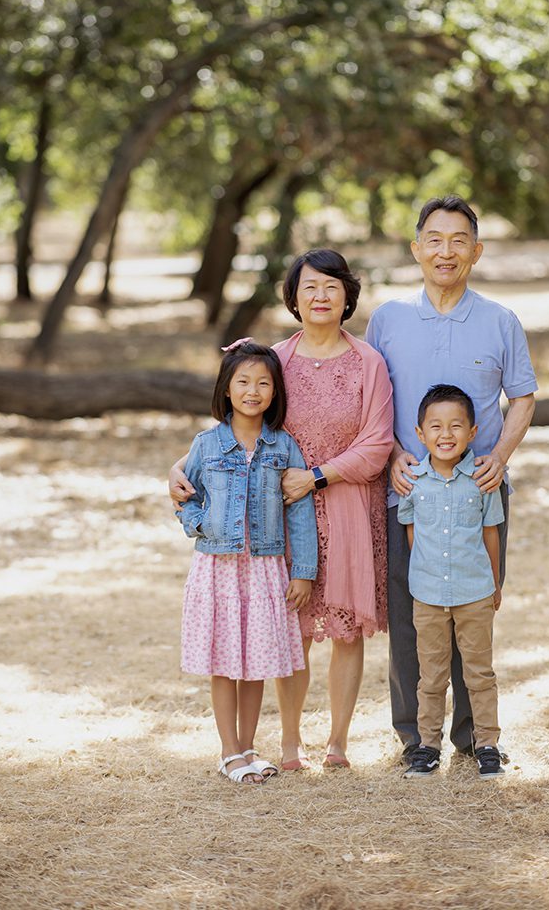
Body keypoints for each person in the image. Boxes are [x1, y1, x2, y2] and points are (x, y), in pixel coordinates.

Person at [170, 249, 394, 770]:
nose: (320, 296)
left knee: (344, 628)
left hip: (343, 504)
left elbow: (378, 444)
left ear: (347, 297)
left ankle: (337, 741)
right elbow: (237, 429)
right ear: (293, 297)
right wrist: (180, 469)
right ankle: (289, 742)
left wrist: (315, 475)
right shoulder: (274, 360)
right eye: (309, 287)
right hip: (274, 516)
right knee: (288, 626)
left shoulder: (369, 363)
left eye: (331, 286)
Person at [365, 195, 537, 763]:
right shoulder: (387, 318)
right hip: (408, 490)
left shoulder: (500, 320)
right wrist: (390, 454)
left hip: (479, 495)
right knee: (413, 616)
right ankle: (417, 737)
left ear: (477, 251)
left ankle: (474, 736)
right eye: (434, 239)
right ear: (416, 249)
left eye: (459, 240)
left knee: (474, 608)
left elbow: (523, 396)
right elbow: (371, 400)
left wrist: (502, 456)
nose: (446, 251)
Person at [174, 340, 318, 785]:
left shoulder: (283, 447)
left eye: (263, 383)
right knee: (223, 660)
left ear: (275, 392)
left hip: (264, 569)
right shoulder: (206, 444)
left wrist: (304, 572)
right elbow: (184, 496)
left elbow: (300, 511)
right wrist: (201, 525)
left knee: (255, 660)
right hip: (218, 566)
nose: (253, 390)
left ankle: (251, 747)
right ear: (227, 388)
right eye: (243, 381)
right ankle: (228, 751)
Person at [398, 384, 505, 780]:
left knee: (479, 672)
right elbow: (412, 534)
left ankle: (488, 744)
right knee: (432, 675)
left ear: (472, 432)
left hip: (474, 591)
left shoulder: (481, 480)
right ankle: (427, 745)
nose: (446, 434)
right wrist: (421, 577)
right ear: (420, 432)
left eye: (456, 426)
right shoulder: (414, 481)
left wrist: (494, 584)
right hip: (427, 594)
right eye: (436, 426)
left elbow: (490, 533)